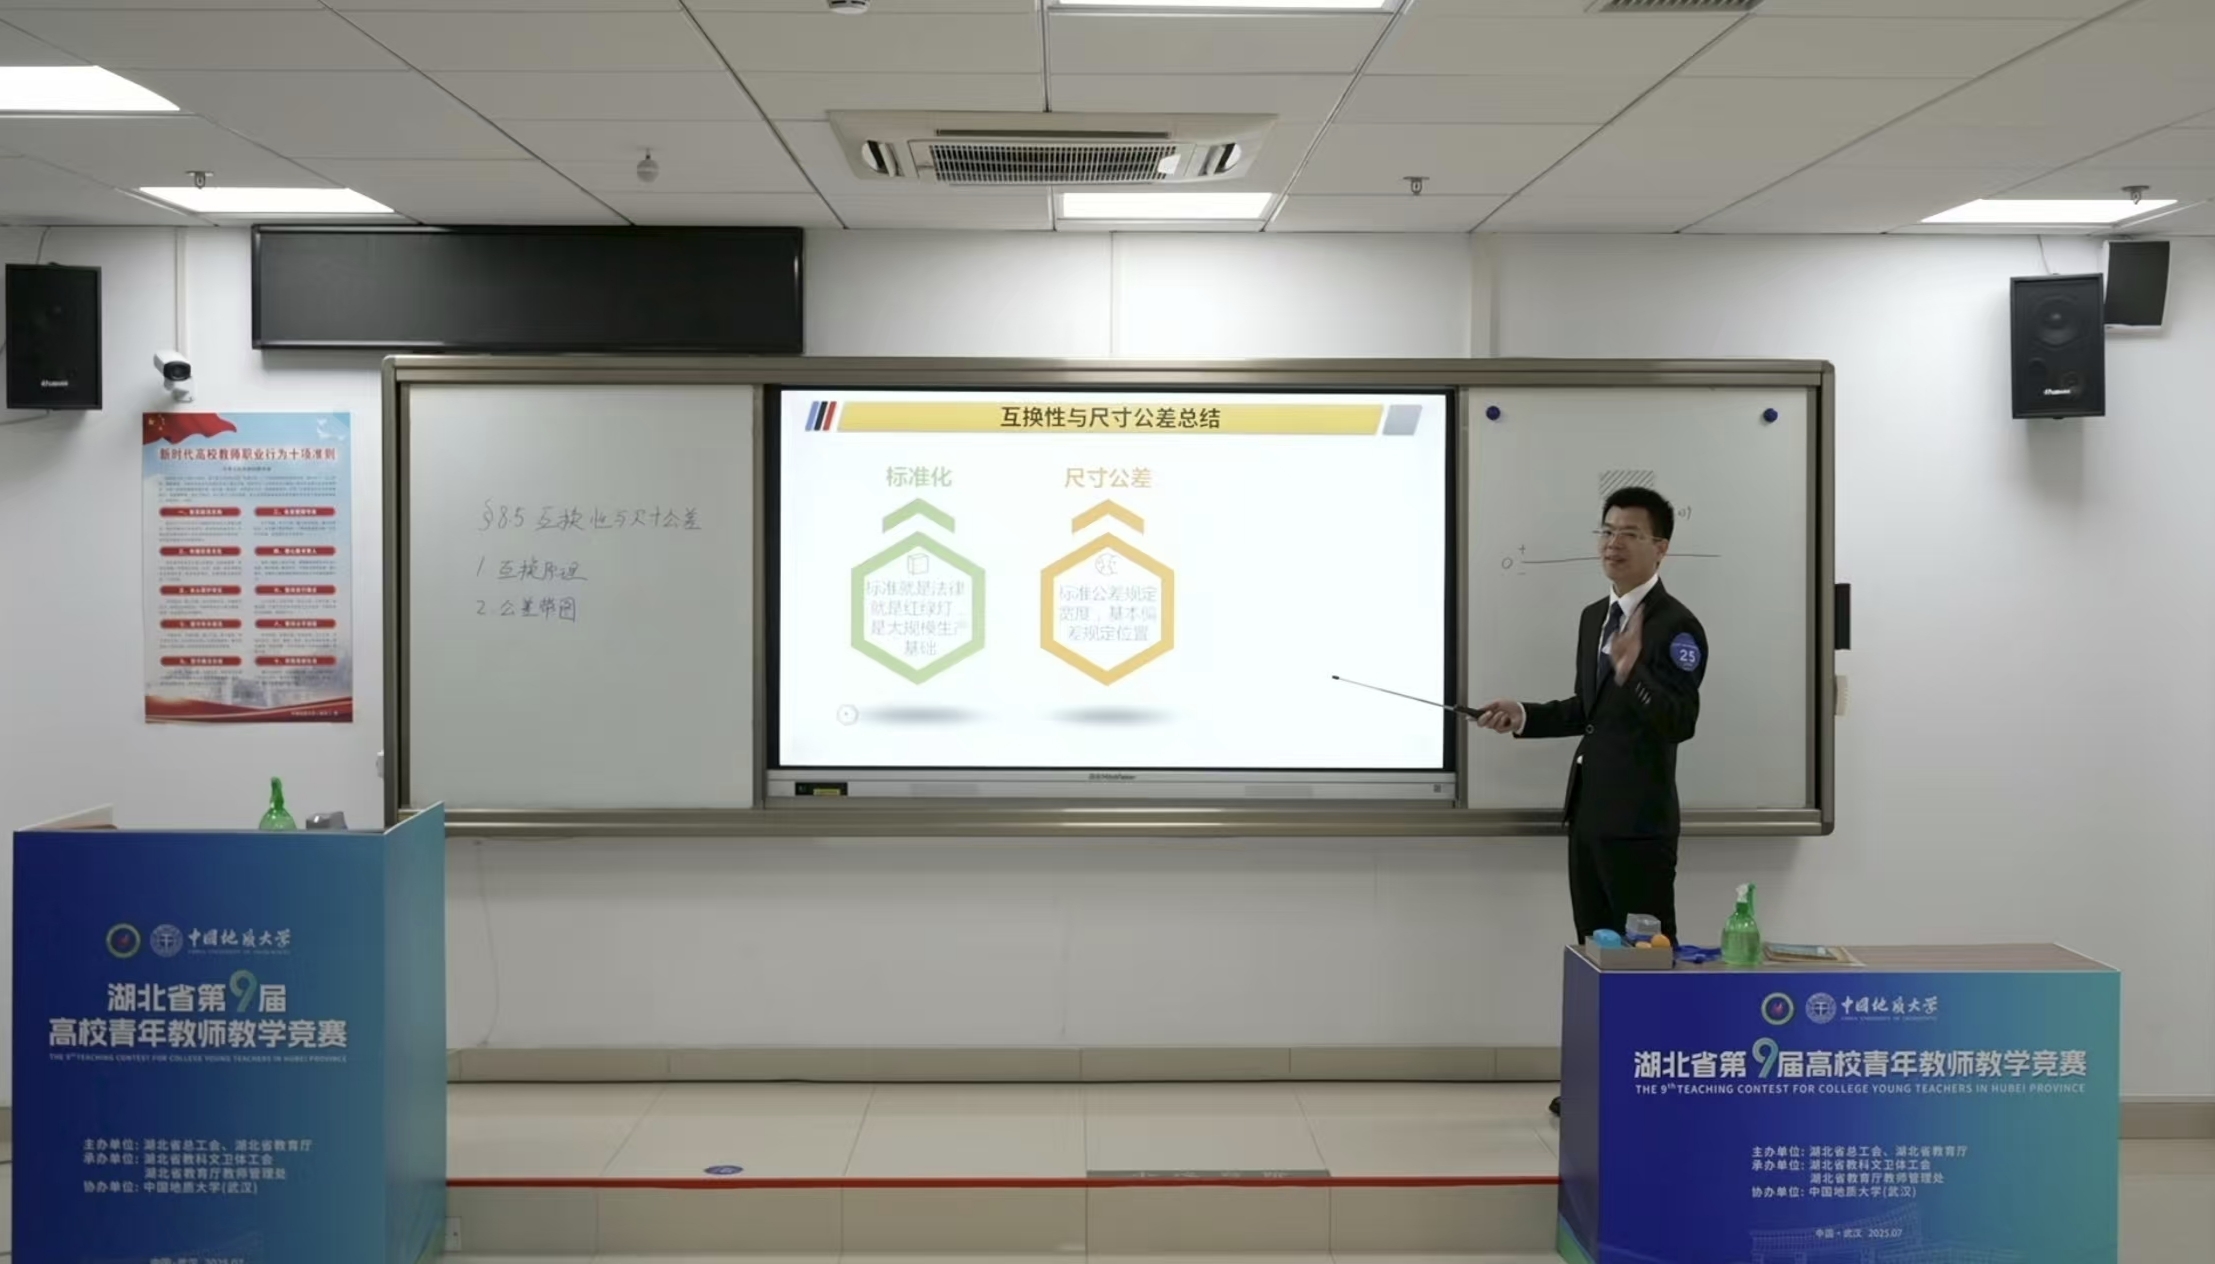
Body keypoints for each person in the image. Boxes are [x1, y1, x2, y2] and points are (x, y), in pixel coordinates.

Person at [1473, 486, 1707, 1117]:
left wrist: (1635, 673)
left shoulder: (1676, 626)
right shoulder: (1592, 618)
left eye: (1630, 533)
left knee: (1645, 967)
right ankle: (1600, 1093)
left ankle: (1655, 1100)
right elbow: (1589, 710)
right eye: (1607, 530)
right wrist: (1523, 715)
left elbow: (1680, 721)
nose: (1613, 543)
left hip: (1639, 828)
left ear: (1661, 547)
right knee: (1596, 959)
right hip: (1589, 818)